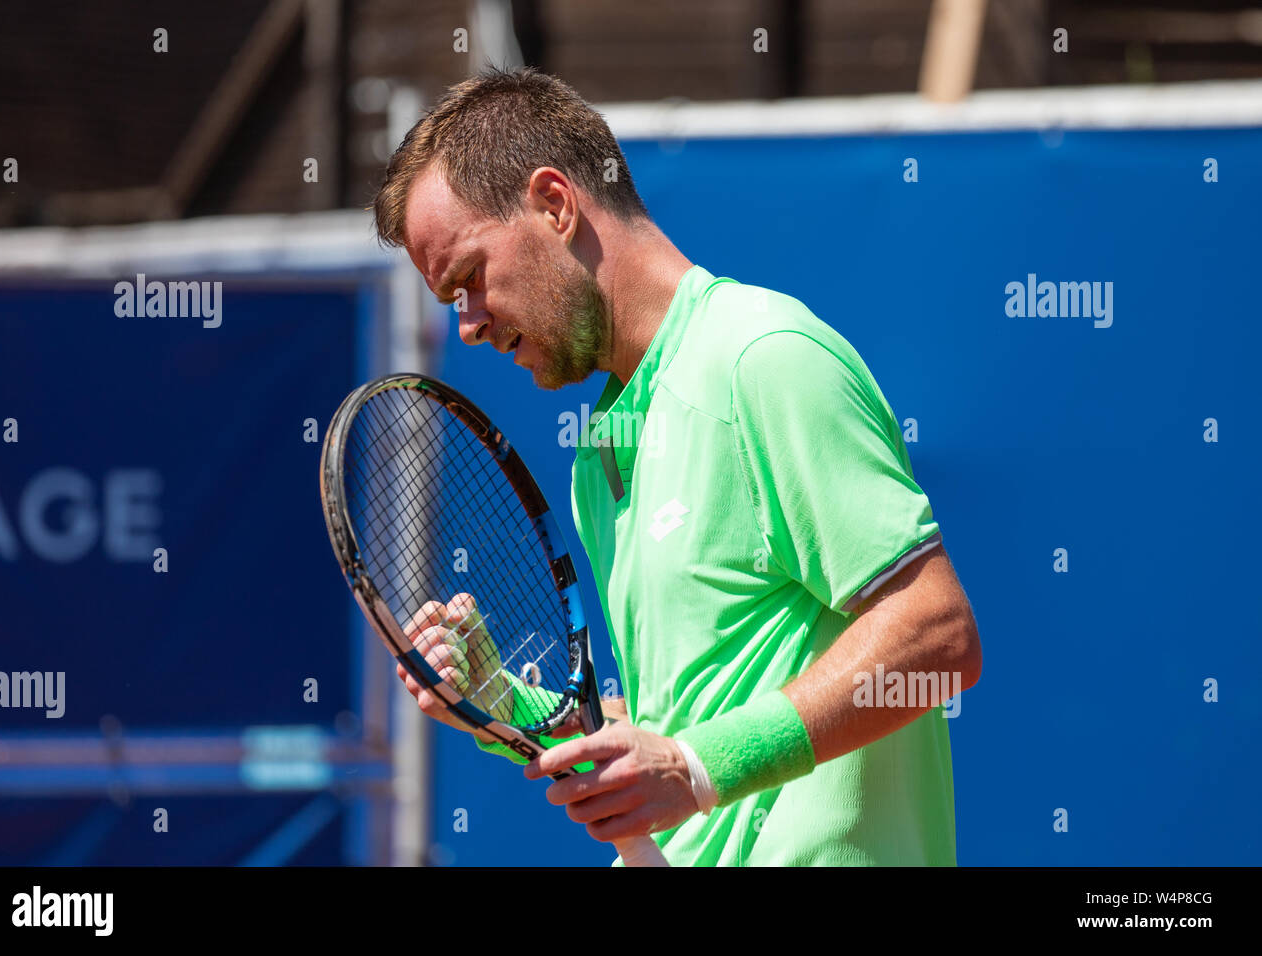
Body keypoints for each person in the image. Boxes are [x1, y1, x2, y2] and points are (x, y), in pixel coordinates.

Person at [373, 67, 981, 866]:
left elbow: (937, 636)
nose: (469, 326)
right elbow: (677, 724)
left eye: (470, 279)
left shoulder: (764, 359)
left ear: (555, 204)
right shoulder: (603, 452)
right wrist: (507, 705)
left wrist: (697, 770)